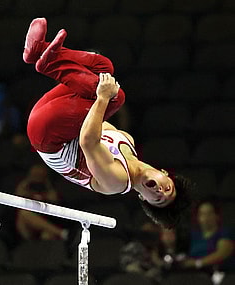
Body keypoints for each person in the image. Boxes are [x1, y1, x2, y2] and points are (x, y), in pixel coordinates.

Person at [24, 18, 193, 229]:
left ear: (144, 200)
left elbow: (87, 140)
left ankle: (50, 62)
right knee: (104, 68)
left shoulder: (118, 181)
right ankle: (37, 50)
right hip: (50, 116)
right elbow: (90, 121)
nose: (159, 191)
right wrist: (101, 95)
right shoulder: (128, 142)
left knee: (114, 97)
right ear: (165, 174)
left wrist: (103, 98)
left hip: (49, 137)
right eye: (167, 188)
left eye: (157, 199)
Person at [15, 163, 69, 241]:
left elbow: (55, 199)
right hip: (28, 225)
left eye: (39, 175)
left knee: (47, 235)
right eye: (35, 174)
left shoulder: (49, 187)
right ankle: (61, 233)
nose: (37, 177)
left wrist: (47, 186)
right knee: (23, 214)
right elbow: (17, 197)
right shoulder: (26, 186)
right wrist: (28, 181)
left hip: (47, 220)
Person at [181, 198, 235, 272]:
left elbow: (222, 253)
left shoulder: (225, 232)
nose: (206, 217)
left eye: (209, 213)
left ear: (217, 216)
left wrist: (197, 263)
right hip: (194, 275)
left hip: (218, 274)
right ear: (198, 217)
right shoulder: (193, 235)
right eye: (202, 214)